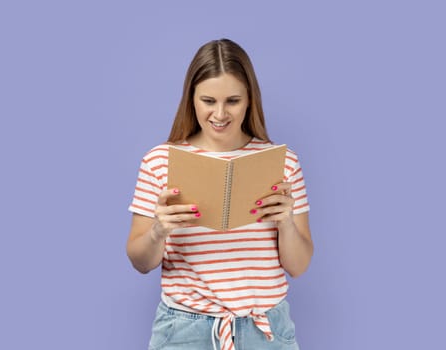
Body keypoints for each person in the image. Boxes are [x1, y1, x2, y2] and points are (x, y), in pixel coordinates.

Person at [127, 38, 313, 350]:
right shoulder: (159, 161)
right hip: (185, 331)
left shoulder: (283, 162)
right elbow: (140, 262)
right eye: (209, 101)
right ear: (192, 99)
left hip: (265, 331)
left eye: (233, 100)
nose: (220, 114)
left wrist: (286, 223)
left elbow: (299, 266)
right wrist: (159, 230)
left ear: (250, 100)